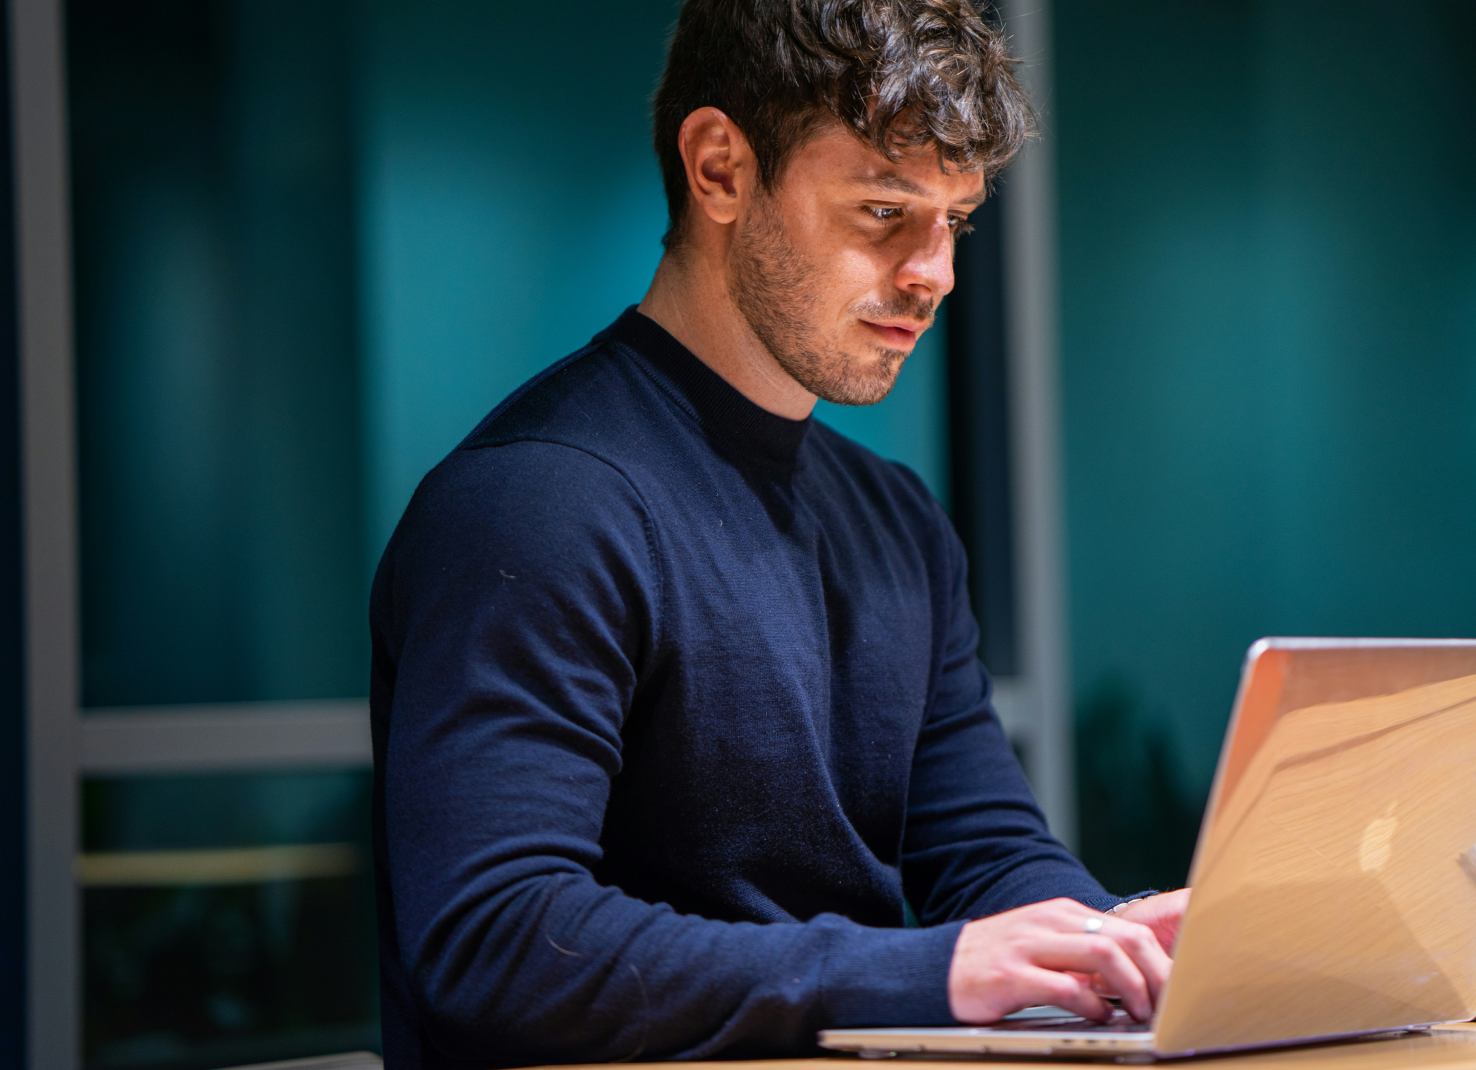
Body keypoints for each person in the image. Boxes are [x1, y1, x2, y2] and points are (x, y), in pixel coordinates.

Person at [369, 1, 1189, 1067]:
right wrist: (929, 972)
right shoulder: (538, 503)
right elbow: (499, 939)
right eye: (884, 211)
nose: (934, 272)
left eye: (957, 219)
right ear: (719, 168)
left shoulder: (896, 521)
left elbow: (983, 852)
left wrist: (1106, 942)